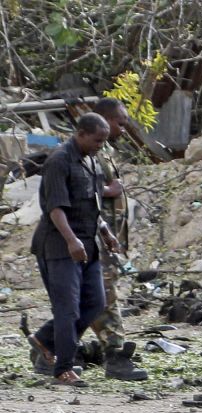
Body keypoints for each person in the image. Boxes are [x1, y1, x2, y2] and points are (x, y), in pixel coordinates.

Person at [27, 113, 118, 386]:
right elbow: (55, 207)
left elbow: (91, 202)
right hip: (58, 245)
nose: (100, 145)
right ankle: (63, 369)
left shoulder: (91, 160)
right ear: (80, 133)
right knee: (68, 310)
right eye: (97, 140)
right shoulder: (59, 161)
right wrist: (71, 240)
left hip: (88, 243)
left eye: (103, 141)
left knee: (95, 303)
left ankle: (45, 338)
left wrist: (105, 231)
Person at [85, 97, 147, 381]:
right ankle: (115, 353)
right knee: (105, 295)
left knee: (93, 296)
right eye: (119, 123)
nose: (123, 128)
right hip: (94, 236)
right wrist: (108, 189)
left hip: (106, 236)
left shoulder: (104, 149)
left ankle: (46, 344)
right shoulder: (90, 149)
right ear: (104, 119)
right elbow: (81, 184)